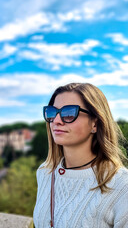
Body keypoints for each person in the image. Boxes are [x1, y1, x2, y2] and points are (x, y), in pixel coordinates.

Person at [33, 83, 128, 228]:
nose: (56, 121)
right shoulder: (45, 173)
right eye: (53, 112)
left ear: (95, 124)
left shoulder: (122, 186)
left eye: (69, 113)